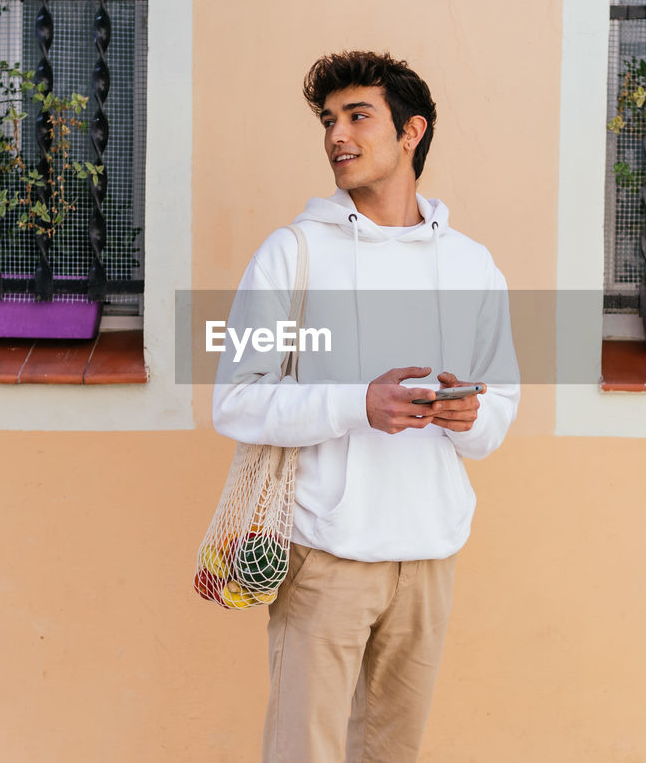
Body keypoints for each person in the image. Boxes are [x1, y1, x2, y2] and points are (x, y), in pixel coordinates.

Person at [213, 50, 519, 762]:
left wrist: (472, 418)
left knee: (392, 754)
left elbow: (502, 401)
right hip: (326, 556)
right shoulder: (293, 253)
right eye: (329, 120)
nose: (337, 137)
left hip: (429, 558)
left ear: (411, 133)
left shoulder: (473, 264)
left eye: (357, 116)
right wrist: (360, 402)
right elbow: (235, 398)